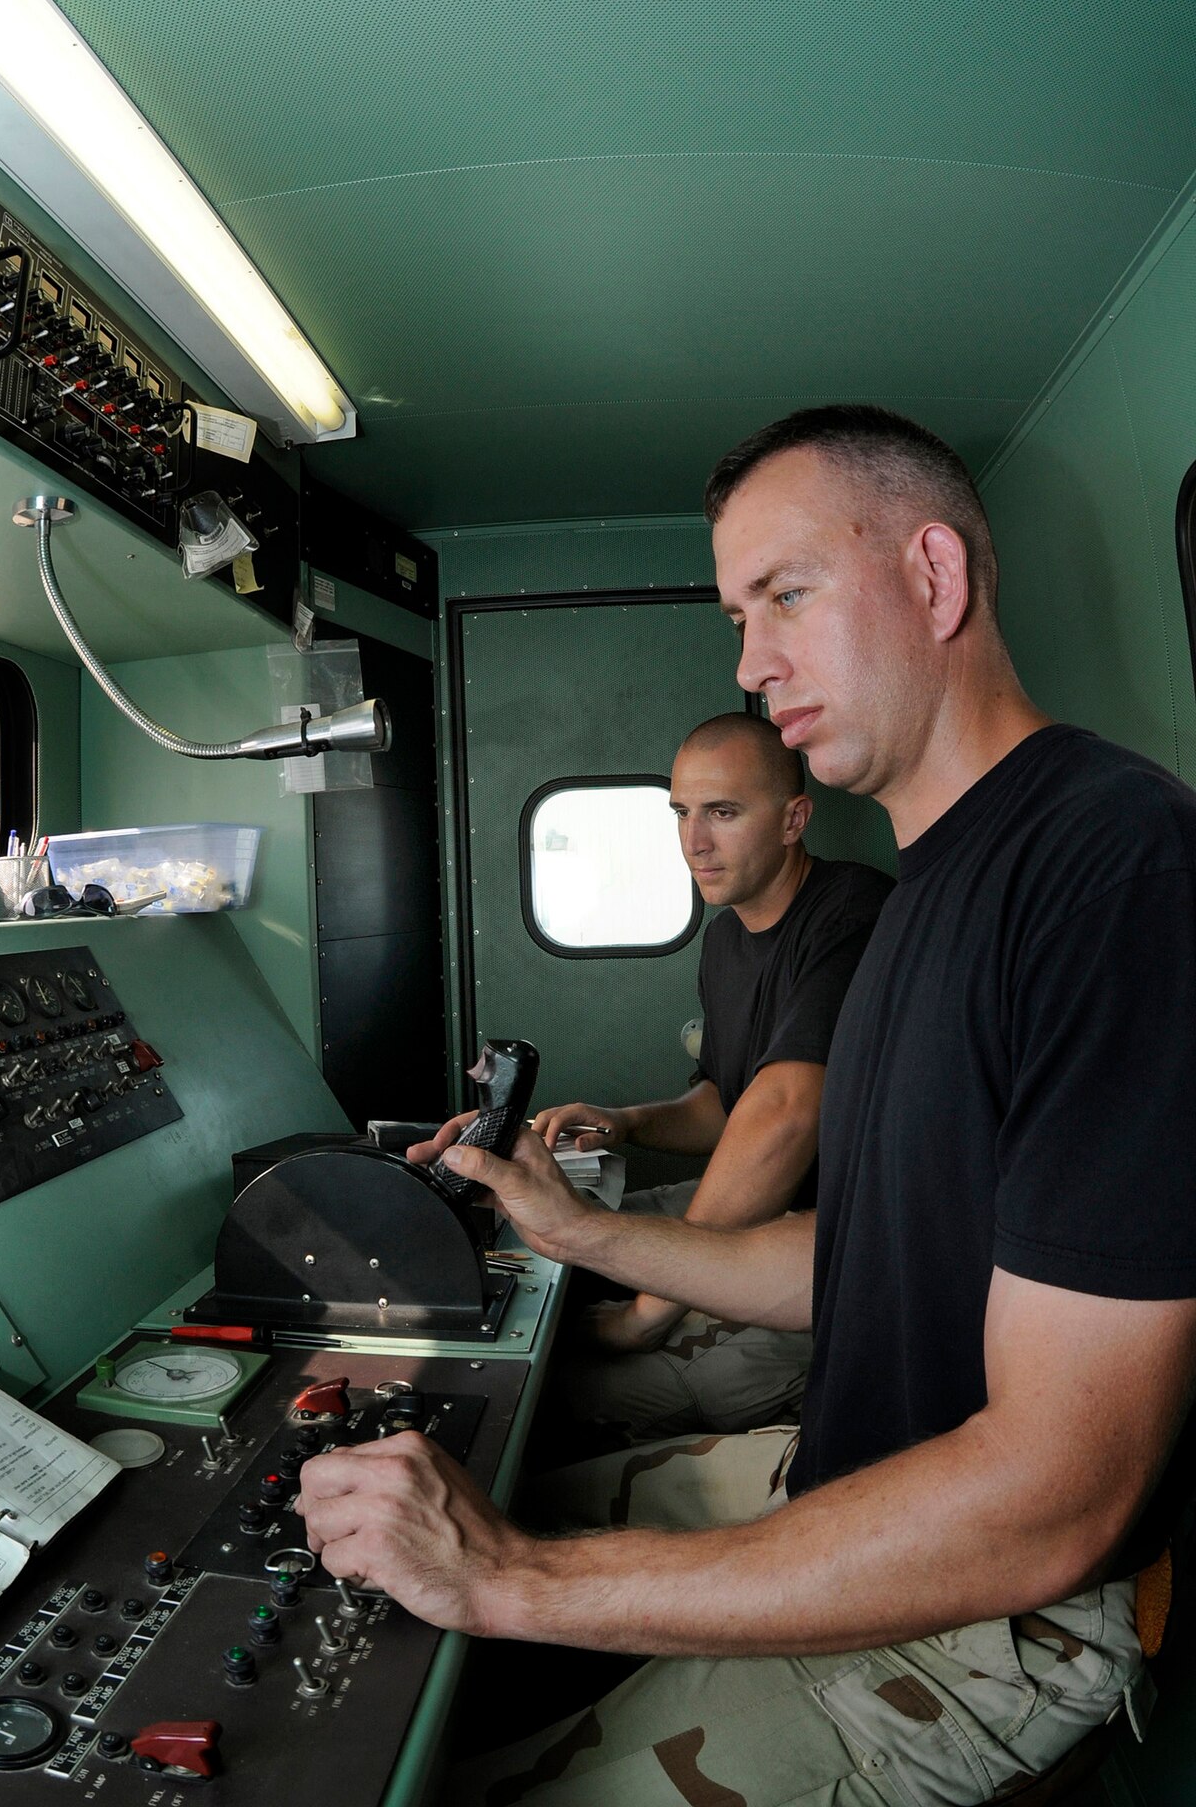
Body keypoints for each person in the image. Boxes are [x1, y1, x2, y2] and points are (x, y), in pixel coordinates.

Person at [295, 404, 1196, 1806]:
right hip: (846, 1475)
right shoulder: (924, 894)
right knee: (465, 1522)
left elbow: (1054, 1496)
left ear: (936, 579)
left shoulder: (1112, 871)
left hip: (979, 1621)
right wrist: (574, 1233)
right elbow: (865, 1259)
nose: (750, 662)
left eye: (787, 595)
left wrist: (519, 1581)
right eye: (737, 614)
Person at [535, 710, 892, 1447]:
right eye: (682, 812)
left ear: (794, 819)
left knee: (590, 1389)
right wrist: (628, 1120)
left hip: (847, 1243)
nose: (693, 841)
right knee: (570, 1249)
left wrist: (649, 1312)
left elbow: (787, 1111)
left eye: (723, 813)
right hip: (760, 1208)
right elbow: (724, 1105)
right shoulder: (726, 940)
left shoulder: (854, 913)